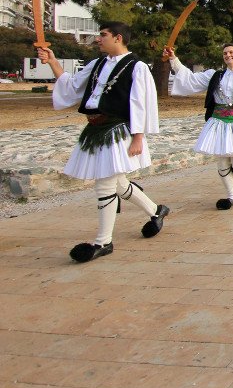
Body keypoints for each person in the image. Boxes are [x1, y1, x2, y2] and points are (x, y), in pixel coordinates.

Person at [37, 22, 169, 263]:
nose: (98, 39)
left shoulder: (137, 67)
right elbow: (73, 86)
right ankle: (156, 211)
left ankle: (103, 242)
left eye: (103, 35)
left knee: (105, 185)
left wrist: (139, 136)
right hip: (95, 129)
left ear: (118, 38)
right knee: (117, 183)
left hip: (118, 130)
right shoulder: (97, 64)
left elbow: (142, 103)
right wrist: (53, 61)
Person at [164, 44, 233, 210]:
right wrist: (173, 59)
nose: (228, 55)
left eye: (231, 52)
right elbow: (190, 79)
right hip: (218, 122)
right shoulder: (214, 75)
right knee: (221, 160)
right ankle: (231, 196)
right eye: (225, 53)